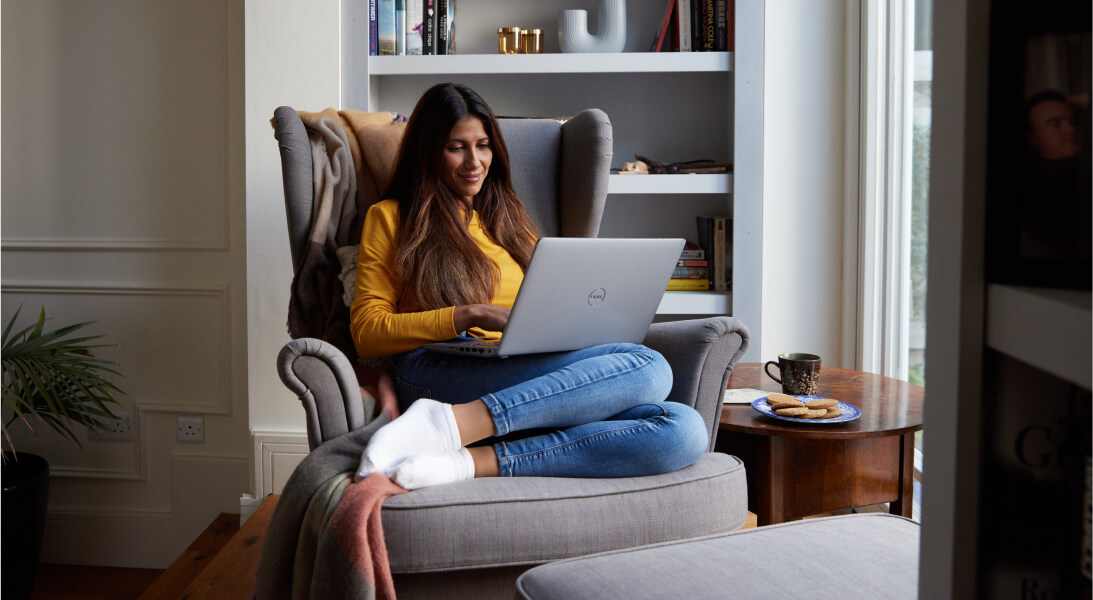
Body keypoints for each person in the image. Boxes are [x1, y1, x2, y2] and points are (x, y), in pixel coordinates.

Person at [348, 82, 708, 490]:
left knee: (683, 428)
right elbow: (367, 333)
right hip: (439, 369)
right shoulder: (392, 217)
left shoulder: (508, 219)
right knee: (650, 367)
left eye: (483, 145)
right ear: (428, 151)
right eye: (456, 147)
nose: (475, 162)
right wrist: (471, 313)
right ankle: (446, 422)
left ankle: (465, 461)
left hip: (523, 366)